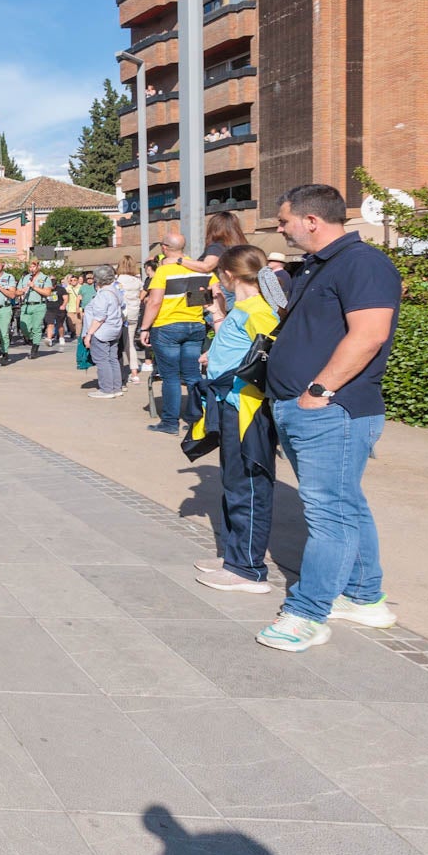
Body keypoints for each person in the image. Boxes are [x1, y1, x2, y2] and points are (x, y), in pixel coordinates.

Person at [256, 184, 402, 653]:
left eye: (284, 221)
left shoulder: (364, 263)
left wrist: (319, 391)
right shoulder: (323, 265)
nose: (280, 229)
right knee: (344, 506)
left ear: (312, 221)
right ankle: (364, 597)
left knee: (329, 515)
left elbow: (369, 335)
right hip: (309, 409)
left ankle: (308, 613)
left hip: (331, 411)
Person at [189, 245, 280, 594]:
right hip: (231, 403)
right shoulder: (244, 308)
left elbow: (272, 348)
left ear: (227, 275)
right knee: (233, 482)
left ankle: (248, 568)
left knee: (247, 485)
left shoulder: (257, 309)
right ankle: (234, 555)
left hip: (247, 408)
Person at [139, 233, 216, 434]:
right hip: (195, 325)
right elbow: (213, 294)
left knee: (170, 376)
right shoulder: (201, 268)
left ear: (165, 248)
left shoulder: (164, 271)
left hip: (167, 326)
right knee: (192, 374)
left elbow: (155, 302)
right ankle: (197, 420)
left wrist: (145, 328)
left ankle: (170, 422)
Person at [179, 211, 249, 321]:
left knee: (216, 324)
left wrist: (179, 260)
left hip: (217, 293)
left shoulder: (217, 246)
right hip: (237, 291)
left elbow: (207, 266)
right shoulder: (242, 246)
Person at [80, 264, 126, 398]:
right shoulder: (115, 291)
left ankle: (106, 389)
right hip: (115, 329)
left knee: (102, 360)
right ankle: (116, 387)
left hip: (102, 331)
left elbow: (99, 318)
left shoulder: (102, 295)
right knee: (113, 359)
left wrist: (89, 334)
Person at [114, 255, 146, 380]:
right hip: (134, 313)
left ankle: (119, 371)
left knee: (117, 344)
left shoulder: (118, 280)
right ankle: (134, 372)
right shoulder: (137, 281)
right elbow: (142, 293)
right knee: (130, 342)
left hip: (120, 313)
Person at [15, 258, 52, 352]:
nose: (32, 268)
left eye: (34, 266)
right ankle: (32, 338)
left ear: (38, 266)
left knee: (36, 327)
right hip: (26, 305)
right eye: (30, 266)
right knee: (24, 327)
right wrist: (21, 291)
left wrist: (34, 287)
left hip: (39, 305)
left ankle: (35, 348)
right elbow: (16, 292)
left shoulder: (45, 278)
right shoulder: (24, 278)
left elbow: (47, 293)